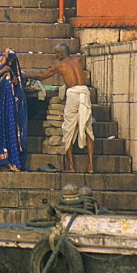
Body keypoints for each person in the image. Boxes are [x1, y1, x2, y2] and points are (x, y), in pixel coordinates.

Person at [37, 42, 94, 174]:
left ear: (61, 53)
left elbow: (41, 77)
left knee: (68, 129)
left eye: (56, 53)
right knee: (88, 130)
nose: (56, 56)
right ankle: (90, 167)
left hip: (74, 96)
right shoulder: (78, 60)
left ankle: (71, 167)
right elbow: (69, 67)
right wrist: (55, 67)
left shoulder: (59, 65)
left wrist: (24, 76)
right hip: (85, 94)